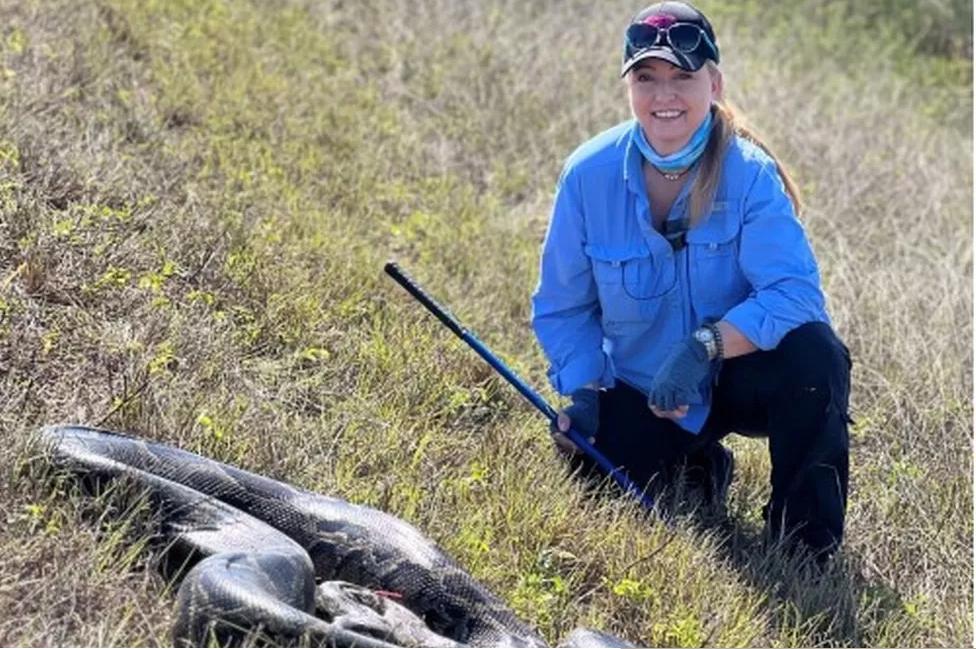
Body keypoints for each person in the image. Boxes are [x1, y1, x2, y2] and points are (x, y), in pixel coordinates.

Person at [530, 1, 852, 559]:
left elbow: (796, 296)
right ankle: (700, 461)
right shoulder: (587, 174)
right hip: (646, 387)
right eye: (647, 78)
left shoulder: (750, 174)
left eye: (683, 76)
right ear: (628, 86)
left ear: (715, 82)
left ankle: (805, 546)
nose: (664, 96)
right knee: (593, 477)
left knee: (815, 358)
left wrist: (706, 346)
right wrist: (582, 390)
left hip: (740, 374)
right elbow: (564, 307)